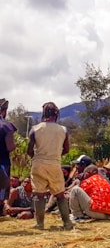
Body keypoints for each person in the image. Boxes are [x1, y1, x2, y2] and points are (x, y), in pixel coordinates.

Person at [27, 102, 74, 230]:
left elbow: (29, 150)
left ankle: (40, 223)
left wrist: (37, 157)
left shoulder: (35, 129)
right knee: (59, 193)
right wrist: (56, 154)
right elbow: (66, 149)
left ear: (44, 113)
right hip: (54, 163)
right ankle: (67, 222)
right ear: (56, 114)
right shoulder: (63, 130)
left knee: (39, 193)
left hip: (38, 163)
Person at [0, 98, 17, 215]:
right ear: (4, 111)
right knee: (1, 191)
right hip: (2, 163)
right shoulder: (6, 126)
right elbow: (10, 147)